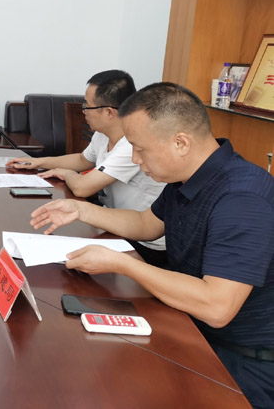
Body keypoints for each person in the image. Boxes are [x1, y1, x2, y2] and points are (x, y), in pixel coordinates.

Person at [30, 82, 274, 409]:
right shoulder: (187, 176)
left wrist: (123, 264)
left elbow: (217, 307)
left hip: (244, 362)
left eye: (140, 149)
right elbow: (146, 224)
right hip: (192, 328)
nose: (135, 159)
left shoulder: (242, 198)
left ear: (181, 143)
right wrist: (81, 210)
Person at [8, 70, 166, 265]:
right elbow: (83, 159)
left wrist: (67, 174)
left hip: (144, 242)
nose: (84, 111)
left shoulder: (131, 145)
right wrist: (40, 162)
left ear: (109, 112)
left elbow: (82, 188)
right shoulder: (103, 134)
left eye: (87, 106)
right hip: (113, 224)